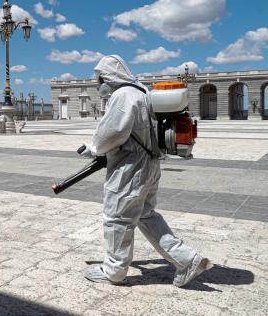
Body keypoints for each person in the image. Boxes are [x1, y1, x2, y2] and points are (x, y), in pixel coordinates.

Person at [81, 55, 211, 287]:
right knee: (146, 214)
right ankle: (186, 260)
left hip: (129, 167)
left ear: (109, 75)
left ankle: (114, 271)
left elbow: (110, 134)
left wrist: (93, 149)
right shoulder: (141, 91)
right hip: (150, 163)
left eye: (99, 77)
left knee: (117, 218)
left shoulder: (123, 96)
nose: (98, 82)